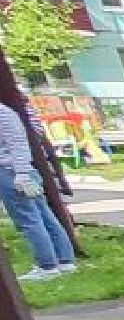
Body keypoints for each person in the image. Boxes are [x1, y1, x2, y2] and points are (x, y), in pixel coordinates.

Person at [1, 101, 74, 282]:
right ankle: (65, 260)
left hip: (12, 172)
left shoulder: (3, 114)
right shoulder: (6, 112)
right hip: (23, 171)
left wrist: (21, 173)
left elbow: (17, 144)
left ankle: (46, 265)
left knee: (28, 220)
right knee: (43, 215)